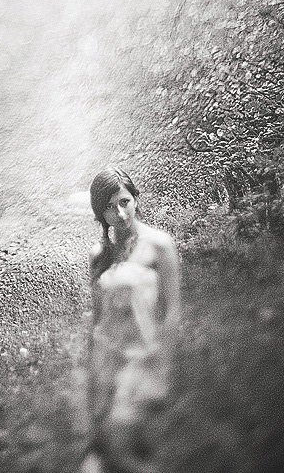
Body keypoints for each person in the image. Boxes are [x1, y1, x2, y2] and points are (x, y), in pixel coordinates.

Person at [82, 167, 181, 473]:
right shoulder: (99, 254)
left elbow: (172, 313)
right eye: (109, 207)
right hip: (107, 363)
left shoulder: (159, 245)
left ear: (136, 198)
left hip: (142, 361)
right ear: (100, 214)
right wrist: (92, 376)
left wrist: (162, 371)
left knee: (122, 453)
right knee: (106, 454)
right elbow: (97, 319)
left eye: (124, 201)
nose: (120, 213)